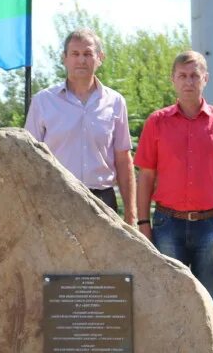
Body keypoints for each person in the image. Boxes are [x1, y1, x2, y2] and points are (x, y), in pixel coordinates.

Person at [134, 50, 213, 310]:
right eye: (182, 76)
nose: (189, 81)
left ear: (205, 78)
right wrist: (143, 223)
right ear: (173, 79)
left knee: (210, 302)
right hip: (167, 226)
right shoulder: (156, 122)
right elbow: (146, 175)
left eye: (194, 75)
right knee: (169, 300)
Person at [24, 28, 136, 225]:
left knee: (103, 257)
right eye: (75, 54)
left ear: (100, 58)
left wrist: (131, 214)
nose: (81, 60)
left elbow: (123, 159)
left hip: (103, 201)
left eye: (88, 54)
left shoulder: (116, 102)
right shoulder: (43, 101)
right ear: (64, 58)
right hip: (56, 199)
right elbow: (28, 158)